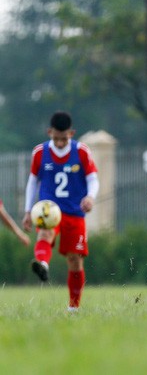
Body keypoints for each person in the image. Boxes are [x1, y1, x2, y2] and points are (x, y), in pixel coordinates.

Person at [21, 111, 99, 312]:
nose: (60, 143)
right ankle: (43, 265)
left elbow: (93, 179)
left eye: (64, 139)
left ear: (71, 134)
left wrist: (90, 197)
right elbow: (32, 182)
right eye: (56, 138)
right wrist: (28, 211)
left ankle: (74, 308)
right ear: (49, 132)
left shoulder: (81, 152)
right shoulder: (40, 152)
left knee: (75, 260)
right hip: (49, 209)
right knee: (45, 234)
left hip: (74, 213)